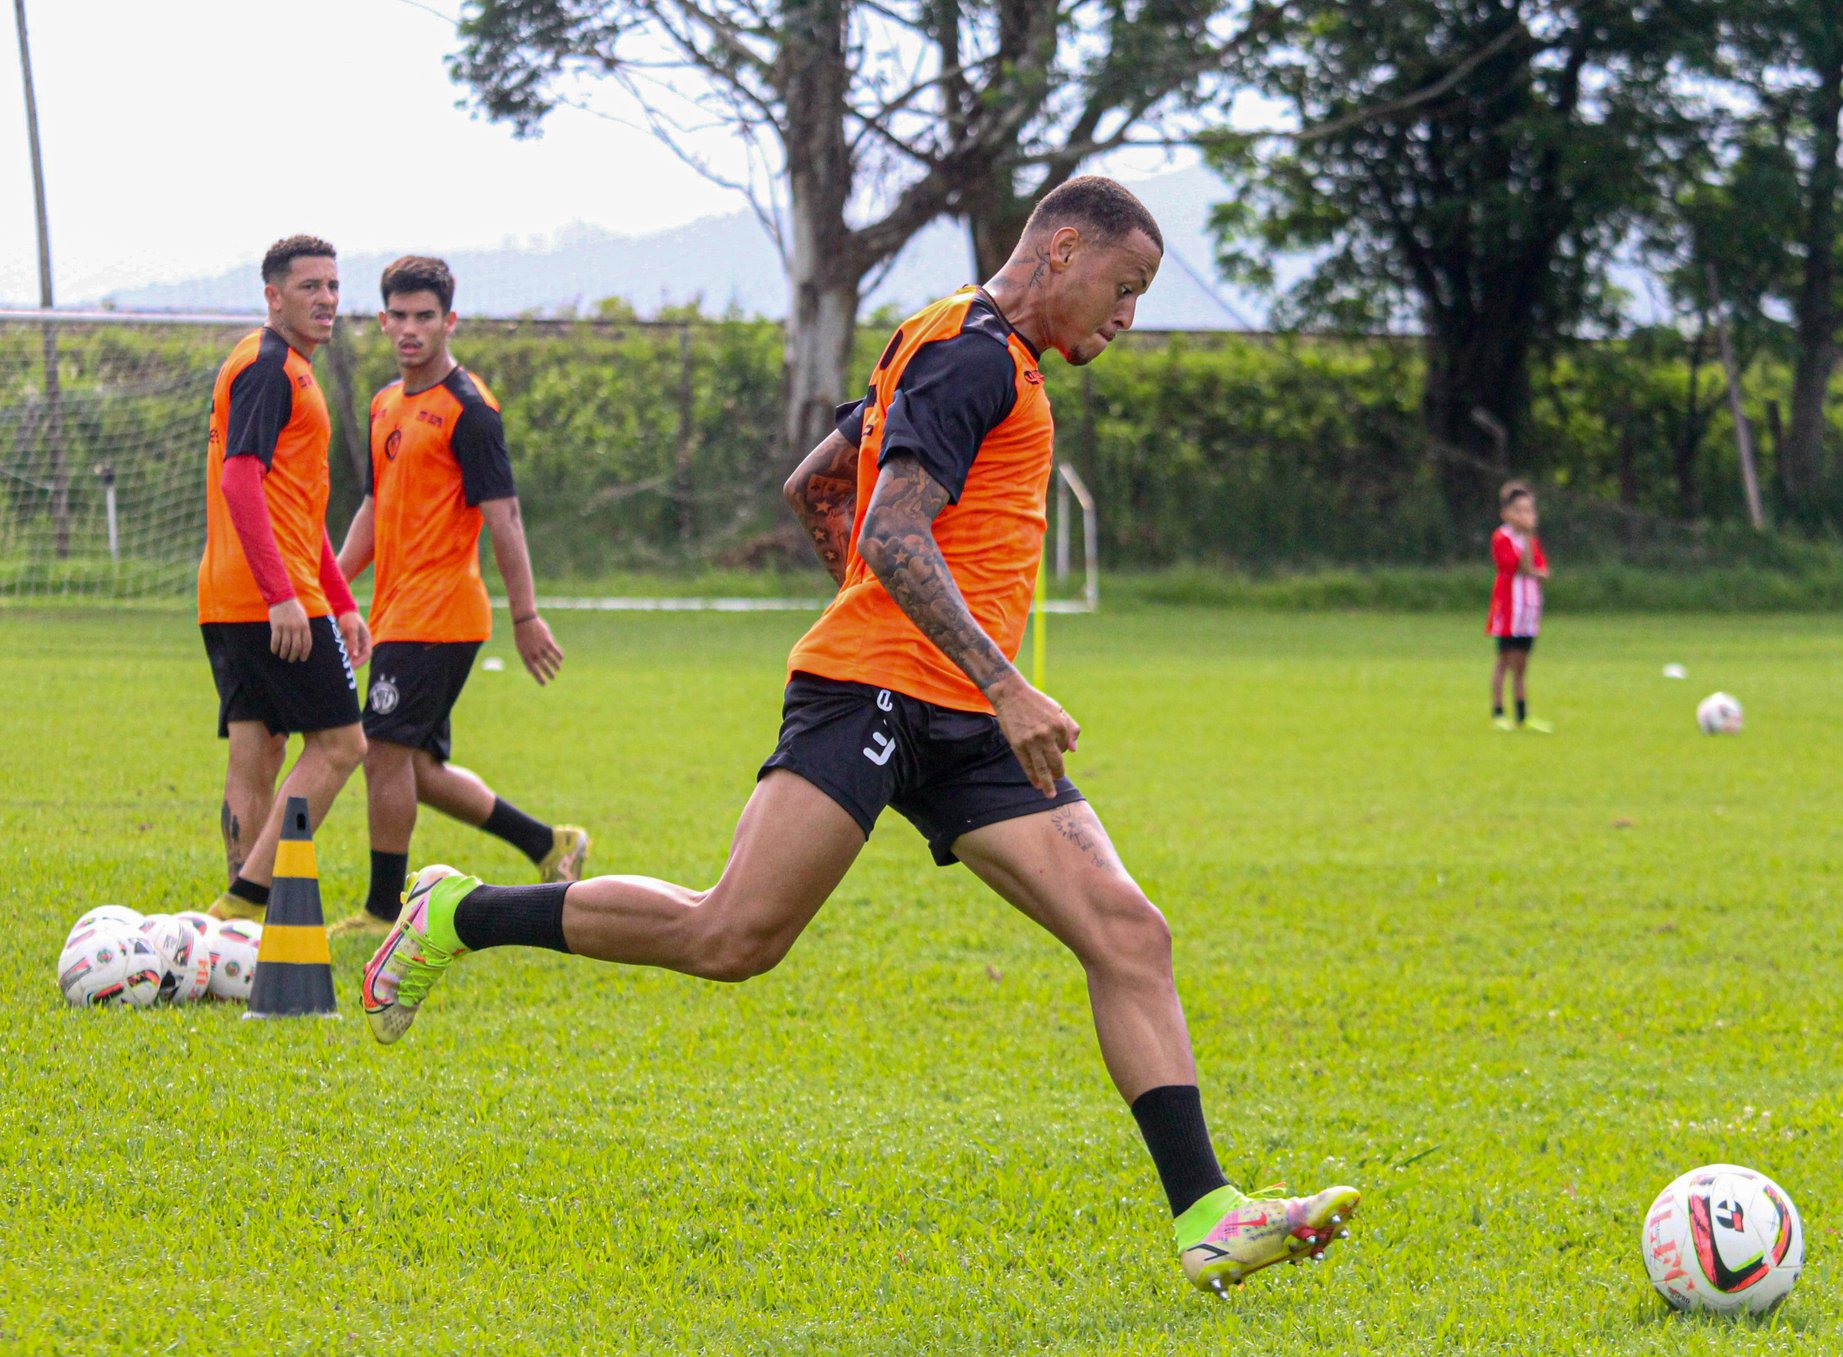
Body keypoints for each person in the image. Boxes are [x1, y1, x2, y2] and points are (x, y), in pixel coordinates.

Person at [359, 177, 1358, 1298]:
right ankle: (455, 912)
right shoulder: (971, 355)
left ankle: (1208, 1214)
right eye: (1121, 290)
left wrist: (964, 671)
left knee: (1128, 932)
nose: (1125, 318)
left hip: (962, 715)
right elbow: (888, 524)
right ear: (1062, 250)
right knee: (731, 936)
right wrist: (996, 676)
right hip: (875, 692)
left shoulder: (964, 346)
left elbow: (817, 482)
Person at [328, 255, 587, 937]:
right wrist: (330, 581)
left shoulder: (470, 411)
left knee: (381, 752)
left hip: (440, 614)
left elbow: (505, 517)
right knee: (416, 766)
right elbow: (373, 510)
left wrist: (525, 615)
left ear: (450, 320)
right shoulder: (387, 401)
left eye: (425, 317)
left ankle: (384, 911)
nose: (411, 330)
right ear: (383, 321)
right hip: (399, 610)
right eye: (400, 317)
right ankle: (547, 843)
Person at [199, 235, 369, 922]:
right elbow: (241, 480)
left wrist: (342, 600)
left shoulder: (277, 365)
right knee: (340, 745)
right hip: (268, 599)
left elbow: (297, 507)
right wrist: (284, 597)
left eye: (332, 285)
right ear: (274, 297)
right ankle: (241, 907)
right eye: (310, 287)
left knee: (258, 751)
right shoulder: (272, 368)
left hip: (227, 595)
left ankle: (232, 929)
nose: (326, 299)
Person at [1488, 480, 1551, 732]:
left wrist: (1531, 549)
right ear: (1506, 513)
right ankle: (1498, 712)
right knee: (1505, 660)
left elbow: (1542, 571)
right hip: (1509, 608)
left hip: (1529, 607)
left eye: (1529, 510)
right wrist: (1527, 537)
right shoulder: (1502, 537)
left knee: (1522, 663)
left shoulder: (1529, 540)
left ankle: (1522, 715)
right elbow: (1523, 567)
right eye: (1520, 510)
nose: (1526, 516)